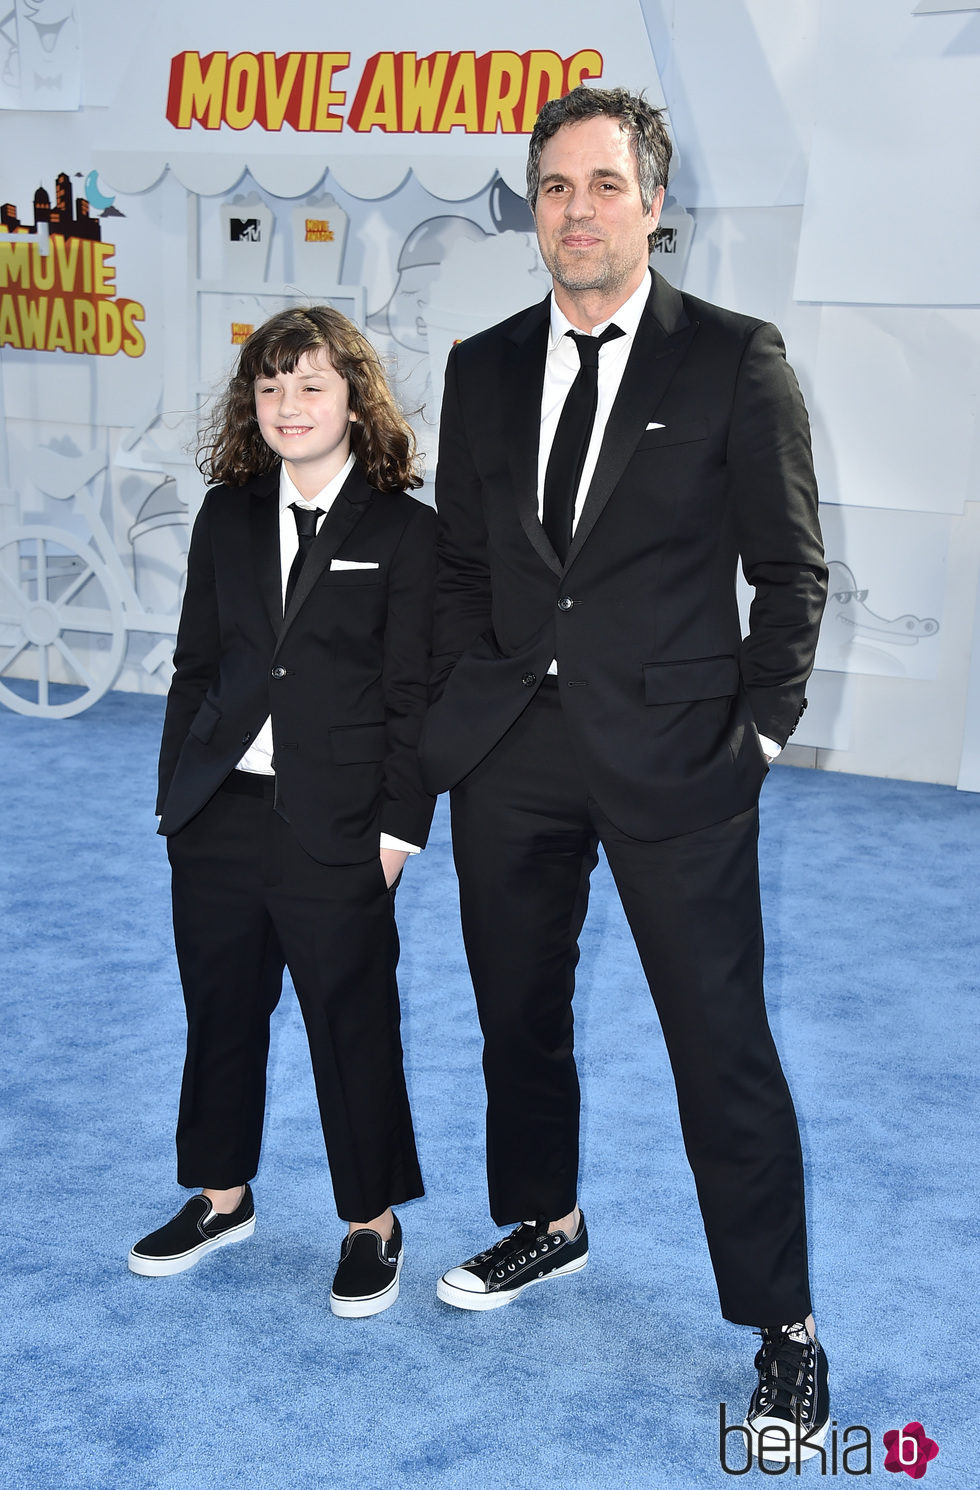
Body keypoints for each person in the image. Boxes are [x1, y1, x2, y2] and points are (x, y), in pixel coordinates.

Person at [420, 86, 830, 1465]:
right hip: (514, 761)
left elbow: (790, 573)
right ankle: (546, 1215)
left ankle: (784, 1326)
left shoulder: (731, 358)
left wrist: (756, 737)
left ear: (656, 201)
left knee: (720, 1045)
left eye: (603, 185)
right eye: (553, 187)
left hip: (678, 758)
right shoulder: (478, 367)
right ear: (530, 207)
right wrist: (463, 728)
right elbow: (467, 570)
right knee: (516, 1011)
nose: (577, 211)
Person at [129, 306, 435, 1320]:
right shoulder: (225, 513)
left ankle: (371, 1221)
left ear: (353, 395)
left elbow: (412, 696)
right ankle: (221, 1193)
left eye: (308, 385)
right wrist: (178, 795)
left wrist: (398, 829)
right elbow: (196, 664)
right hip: (219, 814)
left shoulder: (403, 529)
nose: (287, 406)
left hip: (340, 822)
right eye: (269, 387)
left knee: (350, 1022)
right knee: (220, 1008)